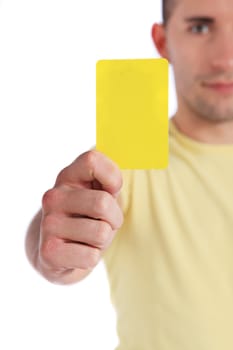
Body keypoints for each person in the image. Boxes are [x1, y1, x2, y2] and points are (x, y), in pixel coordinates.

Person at [25, 0, 233, 349]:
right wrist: (52, 247)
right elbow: (62, 231)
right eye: (200, 27)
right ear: (163, 41)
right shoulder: (125, 162)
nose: (225, 57)